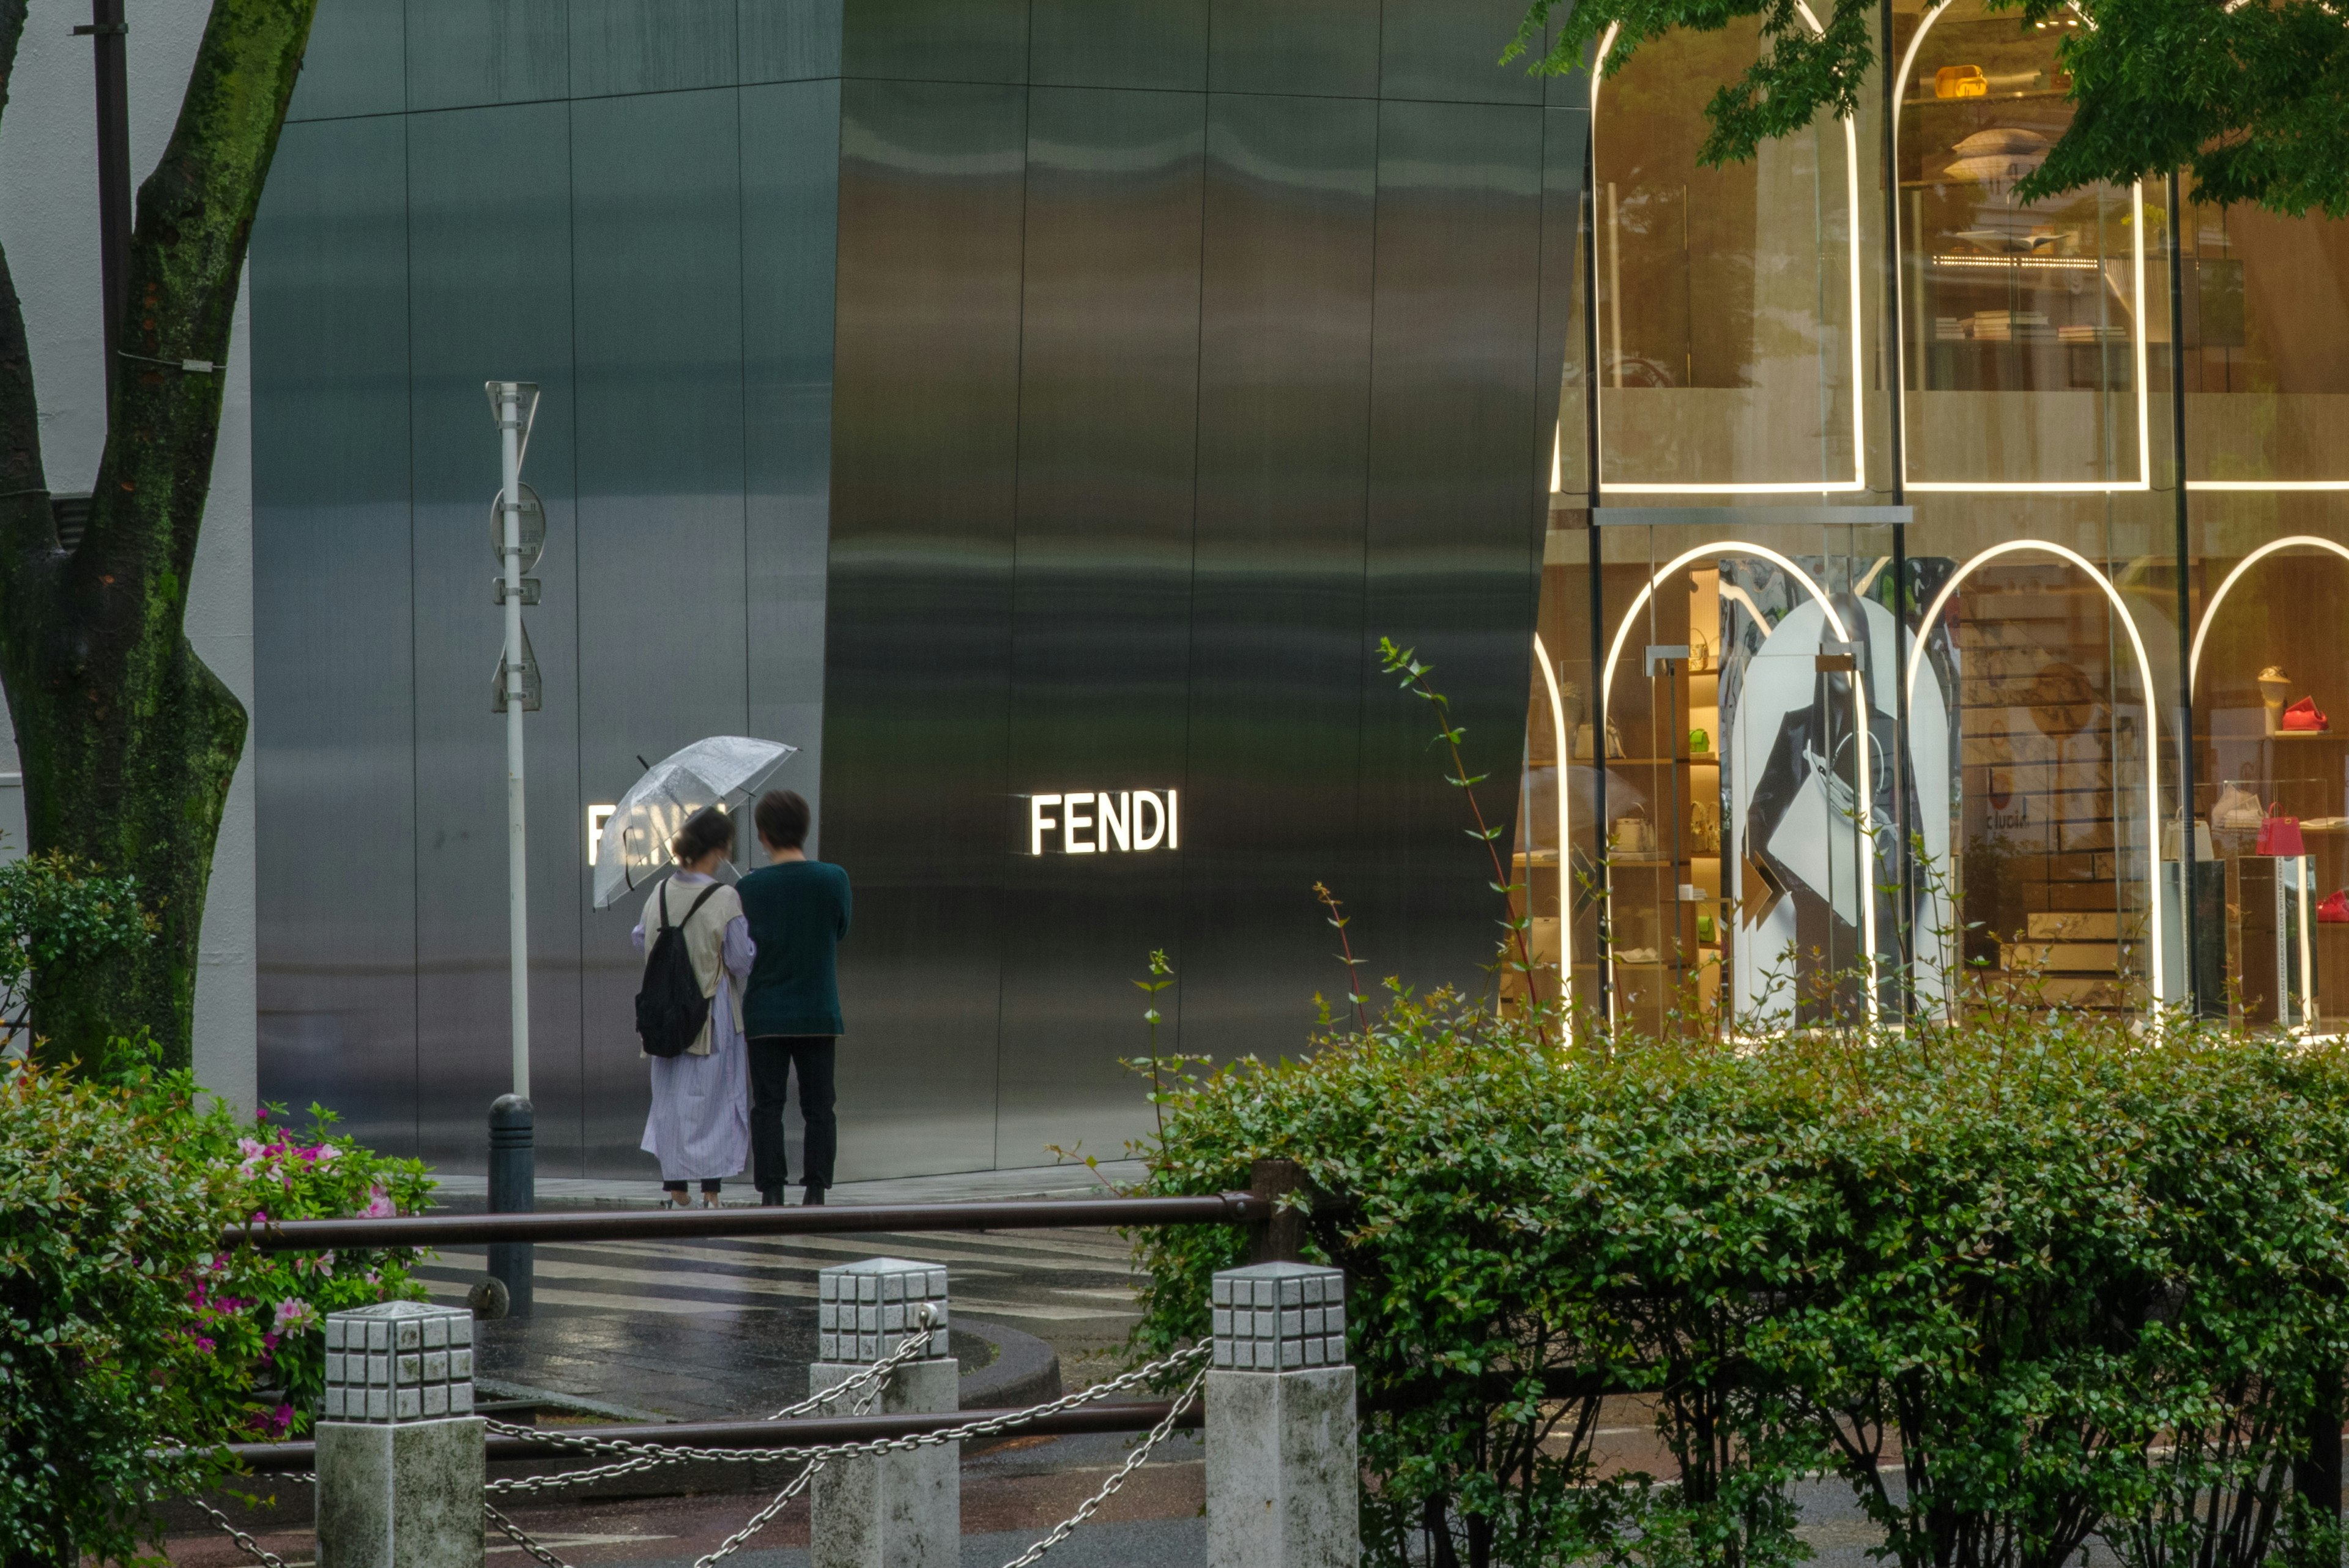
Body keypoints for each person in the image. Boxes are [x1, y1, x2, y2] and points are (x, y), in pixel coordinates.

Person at [634, 805, 754, 1208]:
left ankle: (675, 1186)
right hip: (711, 1012)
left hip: (663, 1010)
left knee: (670, 1098)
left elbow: (640, 938)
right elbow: (740, 959)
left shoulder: (660, 891)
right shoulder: (725, 897)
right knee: (715, 1100)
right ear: (719, 848)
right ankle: (712, 1190)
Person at [737, 789, 852, 1206]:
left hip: (765, 1014)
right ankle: (816, 1188)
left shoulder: (748, 887)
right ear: (804, 830)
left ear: (763, 835)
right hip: (818, 1011)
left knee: (768, 1104)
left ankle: (772, 1190)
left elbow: (741, 948)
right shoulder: (833, 878)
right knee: (820, 1104)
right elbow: (840, 930)